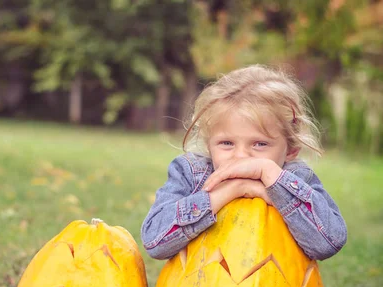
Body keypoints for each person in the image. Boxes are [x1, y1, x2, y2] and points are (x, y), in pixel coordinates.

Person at [141, 65, 347, 261]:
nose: (241, 156)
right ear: (209, 145)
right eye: (227, 143)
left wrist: (268, 176)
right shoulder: (190, 172)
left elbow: (327, 243)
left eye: (259, 144)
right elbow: (154, 242)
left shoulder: (297, 177)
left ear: (291, 149)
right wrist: (230, 190)